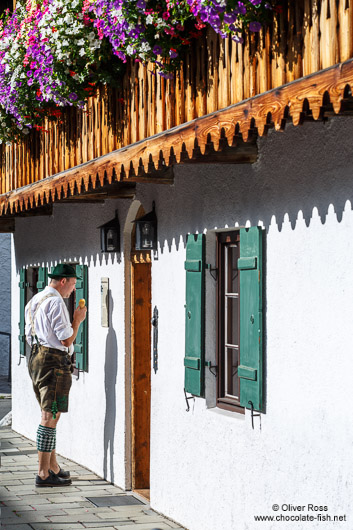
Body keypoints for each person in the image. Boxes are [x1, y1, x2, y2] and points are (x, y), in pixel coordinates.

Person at [25, 263, 87, 487]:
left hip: (37, 358)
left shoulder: (35, 301)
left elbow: (30, 336)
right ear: (63, 282)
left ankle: (53, 467)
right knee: (49, 416)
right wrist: (78, 320)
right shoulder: (56, 302)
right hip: (53, 361)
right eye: (72, 284)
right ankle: (43, 473)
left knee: (51, 414)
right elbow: (66, 340)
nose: (73, 289)